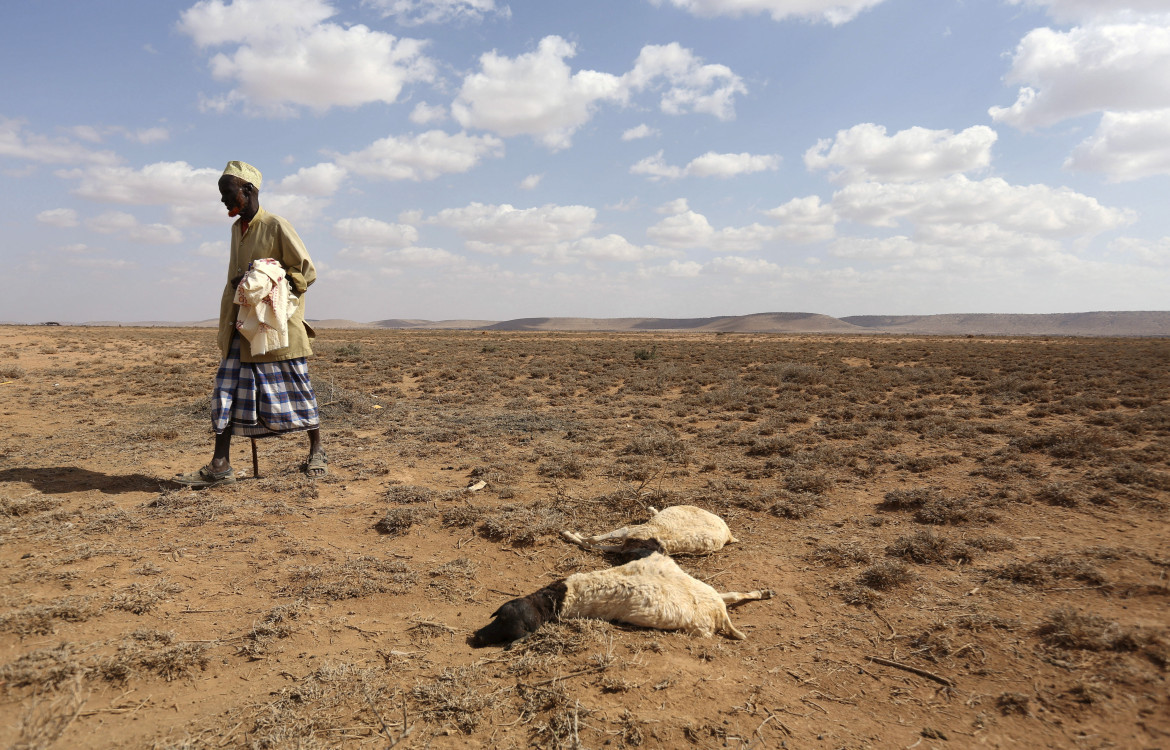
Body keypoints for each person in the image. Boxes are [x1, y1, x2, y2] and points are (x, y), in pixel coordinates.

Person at [174, 161, 326, 487]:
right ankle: (220, 464)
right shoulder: (235, 230)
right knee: (225, 391)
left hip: (275, 327)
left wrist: (268, 281)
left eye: (227, 193)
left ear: (248, 190)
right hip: (240, 325)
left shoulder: (276, 225)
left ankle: (317, 451)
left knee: (297, 387)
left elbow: (306, 272)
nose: (223, 201)